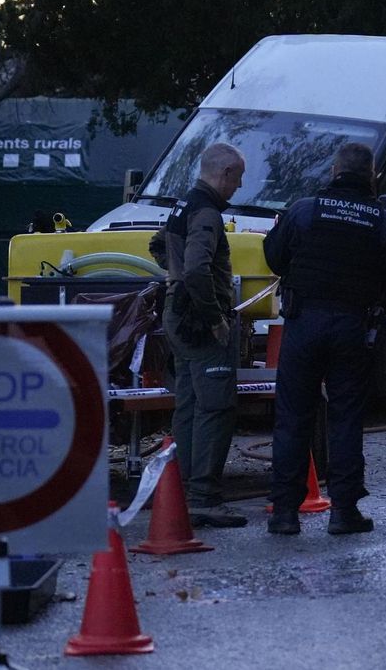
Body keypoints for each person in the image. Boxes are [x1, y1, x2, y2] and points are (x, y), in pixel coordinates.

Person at [263, 142, 386, 535]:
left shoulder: (304, 210)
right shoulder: (383, 222)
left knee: (293, 417)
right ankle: (344, 511)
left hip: (303, 323)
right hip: (353, 328)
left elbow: (273, 257)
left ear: (333, 171)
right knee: (346, 419)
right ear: (372, 175)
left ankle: (285, 513)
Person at [150, 142, 249, 529]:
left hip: (177, 316)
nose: (238, 187)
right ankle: (205, 498)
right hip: (199, 323)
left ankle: (186, 491)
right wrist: (214, 318)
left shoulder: (184, 205)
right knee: (215, 406)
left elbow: (158, 245)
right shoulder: (206, 212)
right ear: (225, 173)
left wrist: (174, 279)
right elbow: (196, 269)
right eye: (238, 179)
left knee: (189, 404)